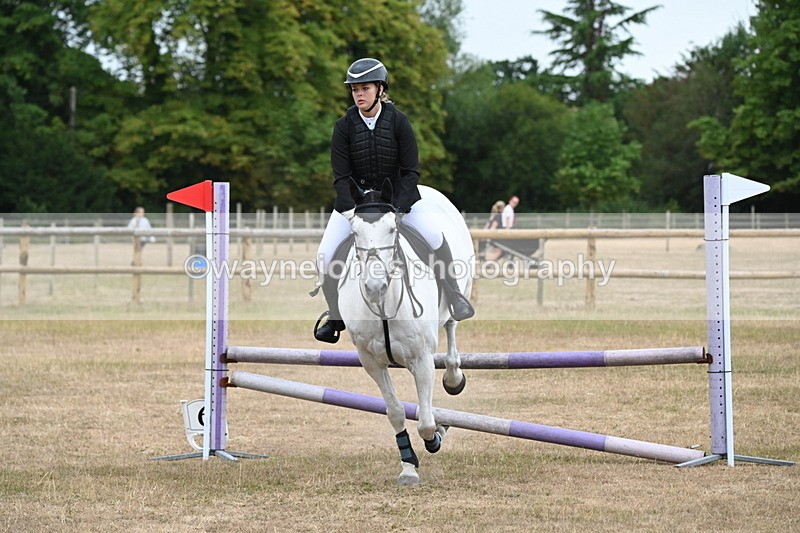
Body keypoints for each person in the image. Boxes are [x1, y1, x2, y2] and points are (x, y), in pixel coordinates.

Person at [313, 58, 474, 344]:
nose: (359, 94)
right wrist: (349, 211)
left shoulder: (399, 122)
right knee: (325, 255)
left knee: (435, 237)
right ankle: (335, 317)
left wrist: (399, 209)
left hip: (399, 200)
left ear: (380, 89)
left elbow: (411, 170)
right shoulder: (343, 127)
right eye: (354, 90)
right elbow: (340, 176)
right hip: (357, 204)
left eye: (364, 88)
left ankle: (454, 296)